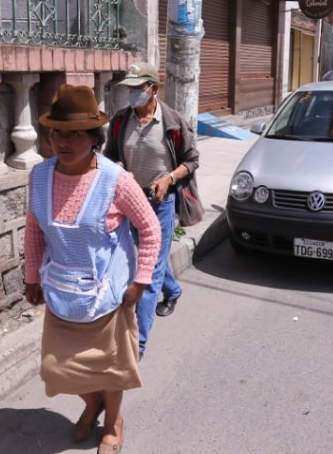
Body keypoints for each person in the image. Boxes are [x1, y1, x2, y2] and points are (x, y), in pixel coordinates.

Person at [24, 84, 161, 454]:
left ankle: (113, 423)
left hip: (108, 294)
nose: (62, 142)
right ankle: (93, 403)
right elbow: (34, 230)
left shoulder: (116, 180)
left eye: (74, 134)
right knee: (57, 368)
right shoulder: (39, 176)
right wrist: (32, 276)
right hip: (62, 290)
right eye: (56, 133)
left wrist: (141, 280)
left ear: (93, 137)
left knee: (109, 368)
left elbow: (151, 228)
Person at [105, 62, 201, 358]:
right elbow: (110, 156)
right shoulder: (121, 121)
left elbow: (191, 160)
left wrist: (169, 178)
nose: (132, 93)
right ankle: (173, 290)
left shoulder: (172, 122)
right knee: (152, 261)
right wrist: (118, 167)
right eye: (129, 88)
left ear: (153, 89)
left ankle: (138, 344)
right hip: (131, 203)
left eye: (138, 88)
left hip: (160, 205)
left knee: (147, 272)